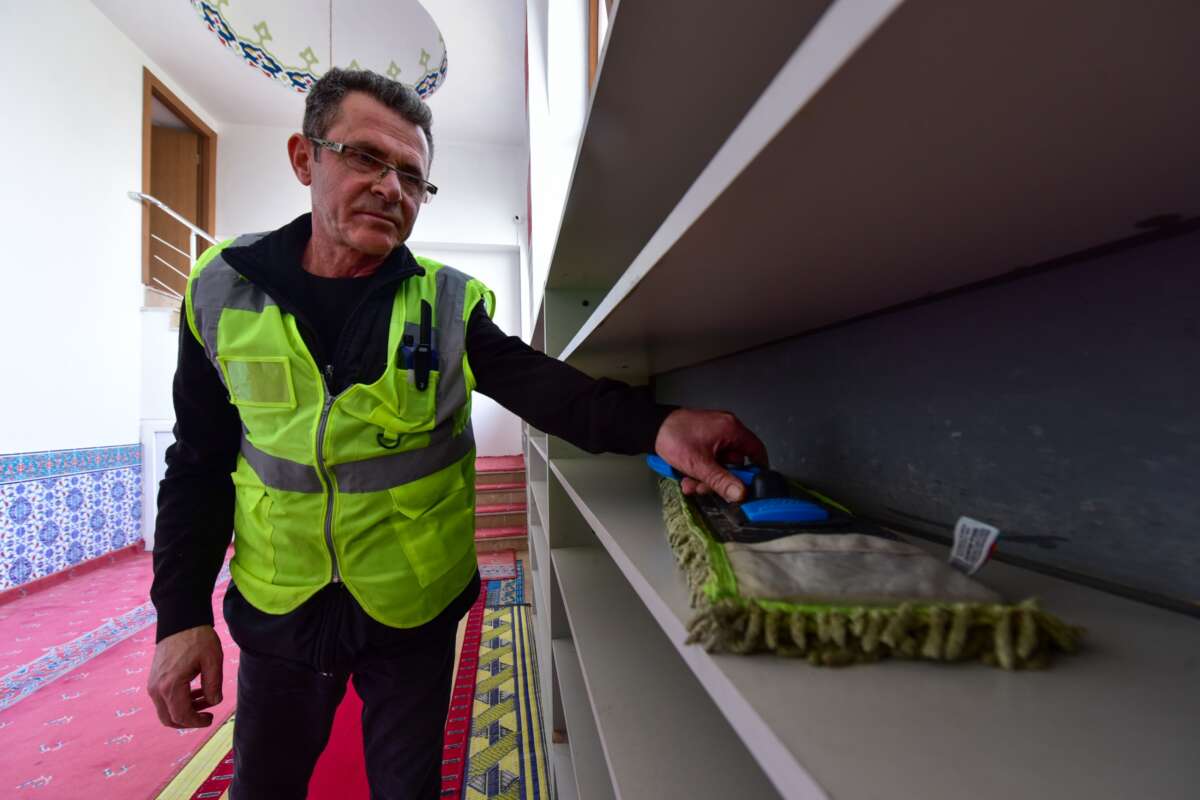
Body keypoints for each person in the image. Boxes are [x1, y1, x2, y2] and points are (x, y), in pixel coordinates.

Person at [147, 68, 766, 800]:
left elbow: (547, 389)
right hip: (280, 607)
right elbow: (198, 465)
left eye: (412, 176)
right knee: (264, 787)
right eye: (366, 157)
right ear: (304, 157)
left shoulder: (444, 302)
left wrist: (660, 425)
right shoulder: (221, 289)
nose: (391, 188)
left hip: (415, 611)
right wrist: (180, 616)